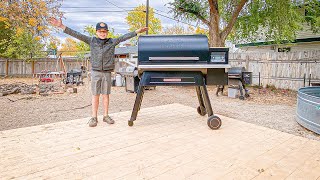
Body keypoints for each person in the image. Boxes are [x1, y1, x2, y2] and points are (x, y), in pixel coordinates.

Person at [49, 17, 148, 127]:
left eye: (104, 31)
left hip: (107, 72)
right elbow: (77, 34)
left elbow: (123, 37)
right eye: (100, 31)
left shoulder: (112, 42)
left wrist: (137, 32)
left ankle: (105, 116)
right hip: (96, 72)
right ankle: (94, 117)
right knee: (95, 95)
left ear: (107, 32)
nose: (102, 33)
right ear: (96, 32)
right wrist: (61, 26)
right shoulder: (92, 41)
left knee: (106, 95)